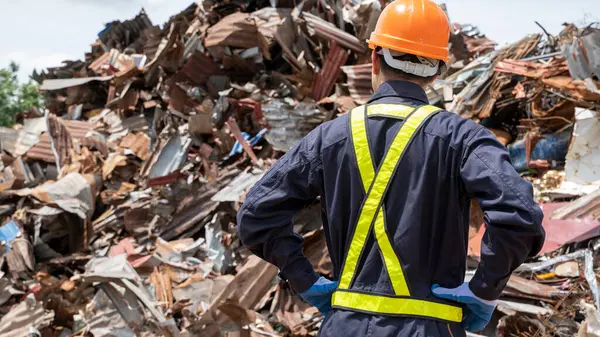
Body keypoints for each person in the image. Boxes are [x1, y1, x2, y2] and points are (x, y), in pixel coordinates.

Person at [237, 0, 545, 336]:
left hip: (345, 327)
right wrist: (484, 288)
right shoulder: (462, 138)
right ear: (438, 70)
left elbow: (256, 215)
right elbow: (520, 217)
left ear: (373, 57)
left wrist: (305, 279)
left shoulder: (328, 138)